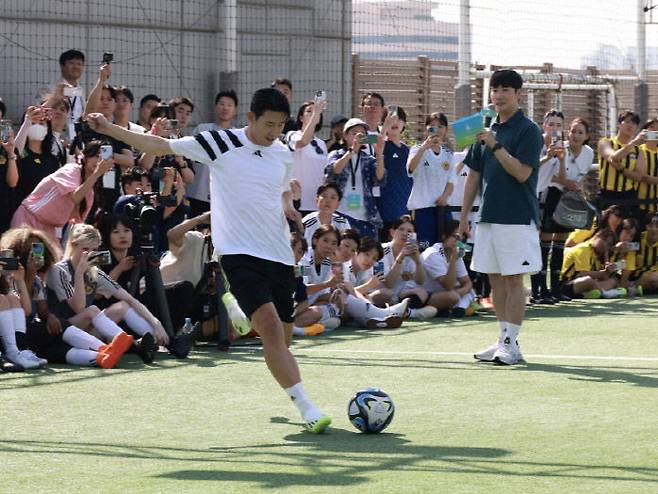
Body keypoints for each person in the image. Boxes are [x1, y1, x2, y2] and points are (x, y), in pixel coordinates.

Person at [85, 87, 332, 433]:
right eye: (268, 124)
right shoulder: (219, 143)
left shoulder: (281, 153)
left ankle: (242, 315)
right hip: (238, 253)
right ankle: (307, 407)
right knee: (273, 334)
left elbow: (275, 192)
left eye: (279, 125)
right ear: (250, 118)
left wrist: (288, 205)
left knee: (284, 339)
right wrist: (110, 129)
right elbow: (160, 146)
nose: (273, 132)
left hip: (277, 253)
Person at [459, 68, 543, 365]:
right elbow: (473, 177)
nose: (499, 94)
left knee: (512, 280)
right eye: (495, 89)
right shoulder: (485, 129)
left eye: (506, 89)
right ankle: (503, 340)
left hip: (518, 218)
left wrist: (494, 143)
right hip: (488, 218)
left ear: (518, 94)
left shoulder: (528, 130)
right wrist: (464, 217)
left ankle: (510, 342)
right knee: (495, 280)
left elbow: (521, 173)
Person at [46, 224, 169, 361]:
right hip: (61, 330)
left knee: (122, 306)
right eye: (85, 249)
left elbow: (130, 299)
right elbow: (78, 308)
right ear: (73, 246)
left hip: (85, 330)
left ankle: (164, 342)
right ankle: (134, 346)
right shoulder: (59, 270)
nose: (90, 254)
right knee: (91, 310)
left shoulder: (95, 272)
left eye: (94, 250)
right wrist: (79, 273)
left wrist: (155, 323)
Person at [11, 141, 112, 244]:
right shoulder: (72, 169)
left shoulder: (89, 193)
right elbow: (75, 197)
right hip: (29, 220)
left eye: (103, 157)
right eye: (95, 156)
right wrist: (97, 174)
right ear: (85, 157)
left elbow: (76, 224)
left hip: (49, 231)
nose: (99, 161)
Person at [325, 118, 386, 239]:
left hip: (366, 217)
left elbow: (380, 179)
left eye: (362, 134)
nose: (358, 137)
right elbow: (333, 171)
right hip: (340, 214)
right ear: (345, 136)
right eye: (354, 133)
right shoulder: (336, 154)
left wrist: (379, 154)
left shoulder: (368, 159)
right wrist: (352, 151)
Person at [406, 112, 455, 248]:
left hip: (442, 209)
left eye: (440, 126)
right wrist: (424, 148)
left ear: (446, 130)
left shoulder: (448, 154)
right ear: (426, 129)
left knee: (445, 248)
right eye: (432, 126)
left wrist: (444, 197)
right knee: (424, 248)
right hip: (422, 210)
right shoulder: (417, 149)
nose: (437, 130)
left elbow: (451, 181)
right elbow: (410, 169)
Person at [187, 90, 239, 217]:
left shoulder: (238, 137)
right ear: (216, 107)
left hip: (224, 199)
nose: (225, 108)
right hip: (196, 194)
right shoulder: (202, 129)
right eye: (222, 104)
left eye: (229, 105)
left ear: (235, 110)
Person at [379, 216, 437, 319]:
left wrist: (418, 261)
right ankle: (410, 313)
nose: (405, 233)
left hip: (401, 295)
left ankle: (405, 312)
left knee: (422, 292)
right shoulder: (382, 250)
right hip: (384, 293)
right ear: (392, 232)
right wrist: (400, 257)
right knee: (385, 293)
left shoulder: (413, 252)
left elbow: (420, 281)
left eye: (409, 231)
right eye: (401, 229)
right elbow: (388, 283)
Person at [421, 219, 476, 317]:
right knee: (453, 296)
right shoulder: (433, 254)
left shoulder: (455, 251)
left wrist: (459, 292)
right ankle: (459, 307)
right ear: (444, 237)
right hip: (424, 296)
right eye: (455, 236)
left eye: (461, 237)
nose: (459, 240)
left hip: (444, 293)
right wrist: (454, 260)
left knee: (469, 291)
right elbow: (448, 286)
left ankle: (458, 309)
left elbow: (467, 283)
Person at [597, 110, 646, 218]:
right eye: (627, 121)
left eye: (634, 123)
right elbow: (613, 157)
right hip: (607, 194)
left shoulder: (638, 151)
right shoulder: (606, 142)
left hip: (628, 195)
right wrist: (633, 142)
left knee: (628, 231)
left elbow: (638, 176)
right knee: (605, 231)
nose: (630, 125)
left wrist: (621, 169)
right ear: (619, 124)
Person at [287, 100, 328, 215]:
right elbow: (303, 142)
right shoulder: (293, 135)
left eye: (316, 112)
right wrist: (316, 114)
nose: (314, 113)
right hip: (299, 201)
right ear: (301, 118)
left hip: (317, 203)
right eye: (309, 111)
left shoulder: (321, 143)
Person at [378, 107, 412, 238]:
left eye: (399, 119)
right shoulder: (380, 144)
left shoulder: (408, 150)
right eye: (391, 119)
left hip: (405, 211)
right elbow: (372, 140)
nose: (395, 122)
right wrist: (385, 127)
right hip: (385, 211)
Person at [636, 118, 658, 214]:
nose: (654, 130)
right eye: (651, 127)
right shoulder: (637, 151)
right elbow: (640, 176)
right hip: (639, 204)